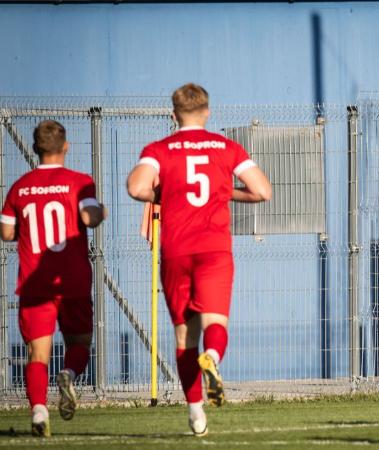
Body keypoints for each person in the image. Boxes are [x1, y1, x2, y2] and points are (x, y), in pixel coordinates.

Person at [127, 83, 271, 436]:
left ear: (174, 115)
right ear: (207, 112)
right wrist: (226, 191)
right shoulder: (227, 147)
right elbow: (263, 191)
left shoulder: (160, 149)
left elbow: (135, 188)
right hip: (214, 249)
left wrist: (165, 192)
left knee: (184, 335)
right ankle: (215, 360)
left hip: (176, 249)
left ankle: (196, 413)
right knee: (215, 321)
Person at [1, 120, 106, 437]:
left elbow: (6, 232)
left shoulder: (20, 187)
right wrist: (100, 211)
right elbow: (90, 216)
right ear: (66, 146)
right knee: (80, 342)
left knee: (37, 352)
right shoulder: (78, 182)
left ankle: (38, 412)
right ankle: (69, 375)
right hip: (72, 280)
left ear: (35, 149)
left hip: (35, 282)